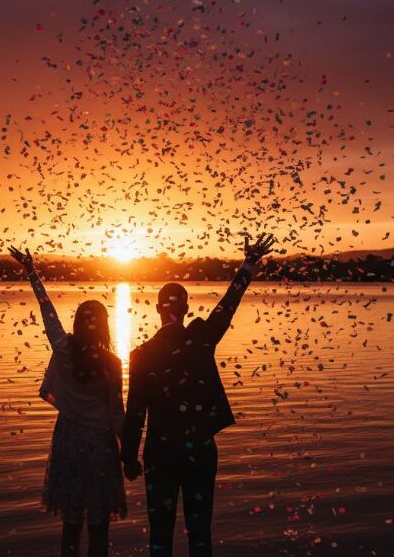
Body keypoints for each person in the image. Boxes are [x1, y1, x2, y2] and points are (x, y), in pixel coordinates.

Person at [120, 233, 276, 557]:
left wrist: (129, 458)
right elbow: (227, 308)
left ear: (157, 310)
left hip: (160, 454)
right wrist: (248, 265)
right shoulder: (202, 339)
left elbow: (135, 413)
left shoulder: (141, 355)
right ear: (187, 308)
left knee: (160, 536)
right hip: (200, 451)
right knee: (200, 532)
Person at [8, 246, 127, 557]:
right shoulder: (112, 363)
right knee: (99, 526)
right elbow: (117, 415)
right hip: (100, 446)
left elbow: (47, 310)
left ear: (77, 323)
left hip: (69, 442)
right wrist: (130, 454)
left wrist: (31, 271)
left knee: (71, 525)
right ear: (103, 326)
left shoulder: (63, 348)